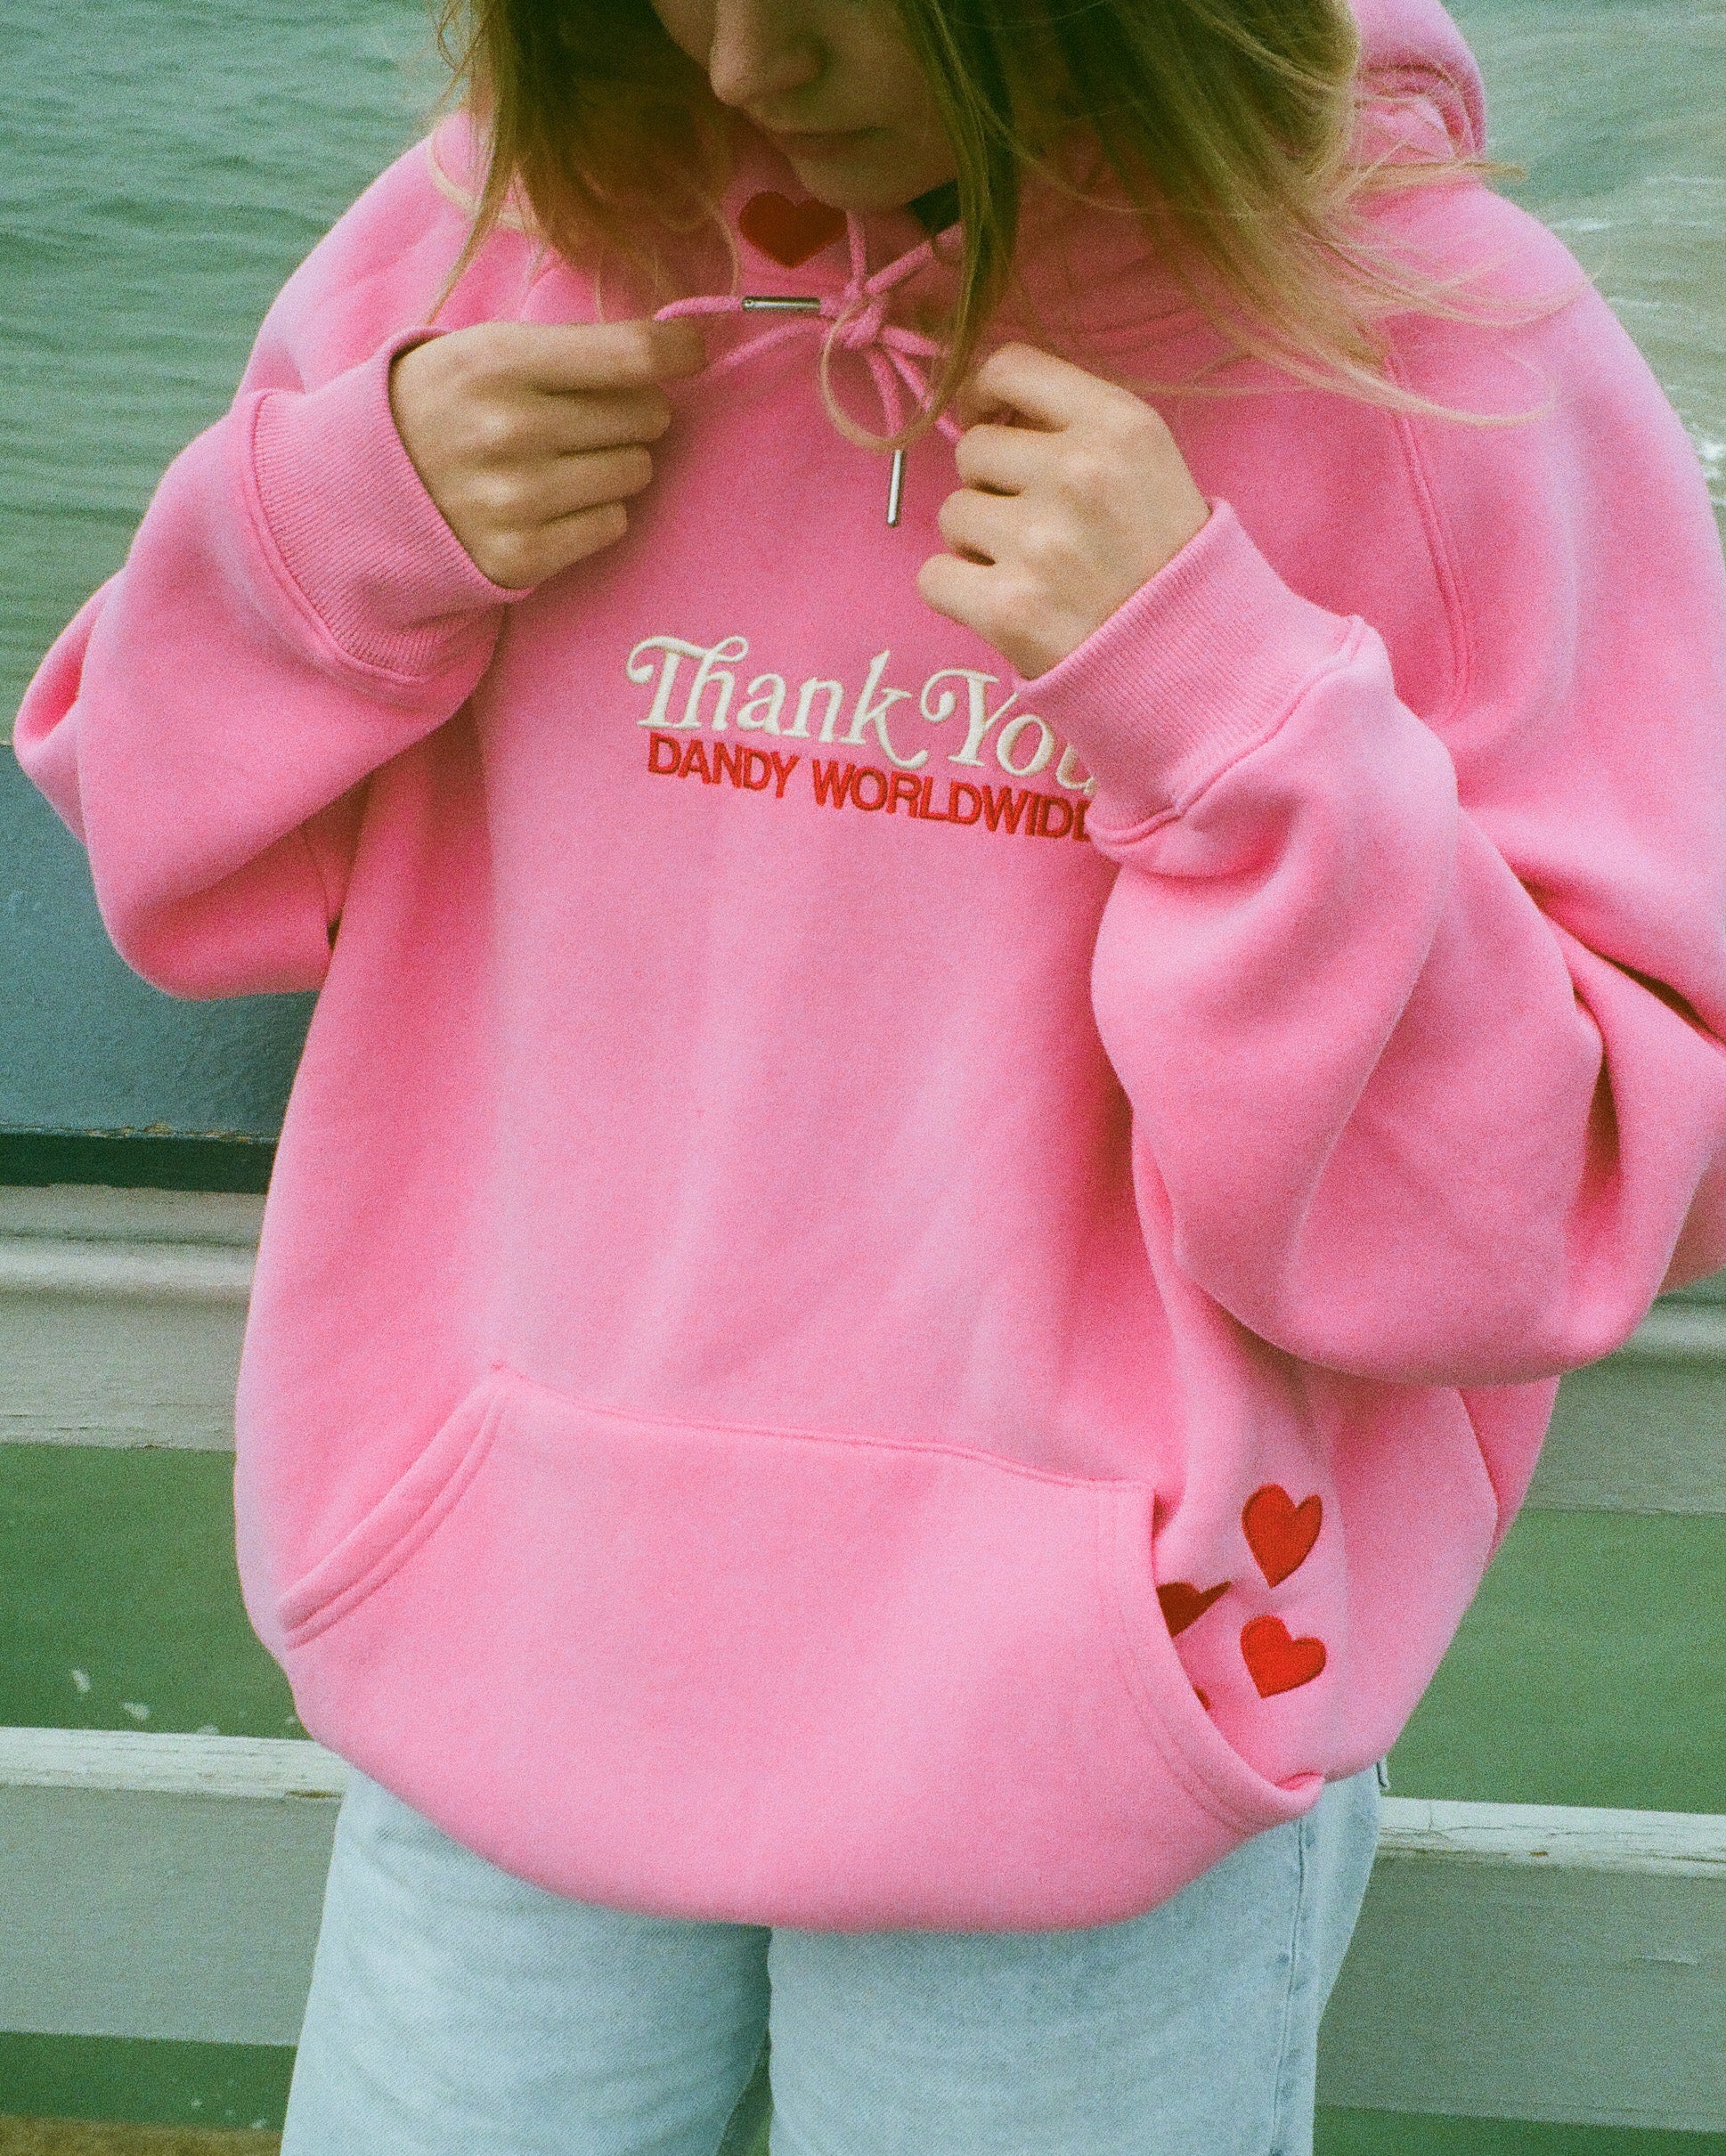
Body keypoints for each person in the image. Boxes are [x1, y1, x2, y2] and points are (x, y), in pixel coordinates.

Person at [15, 0, 1726, 2146]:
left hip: (1104, 1709)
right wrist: (328, 528)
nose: (742, 65)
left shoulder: (1434, 344)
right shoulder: (510, 226)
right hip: (510, 1626)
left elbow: (1574, 1183)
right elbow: (151, 825)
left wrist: (1232, 716)